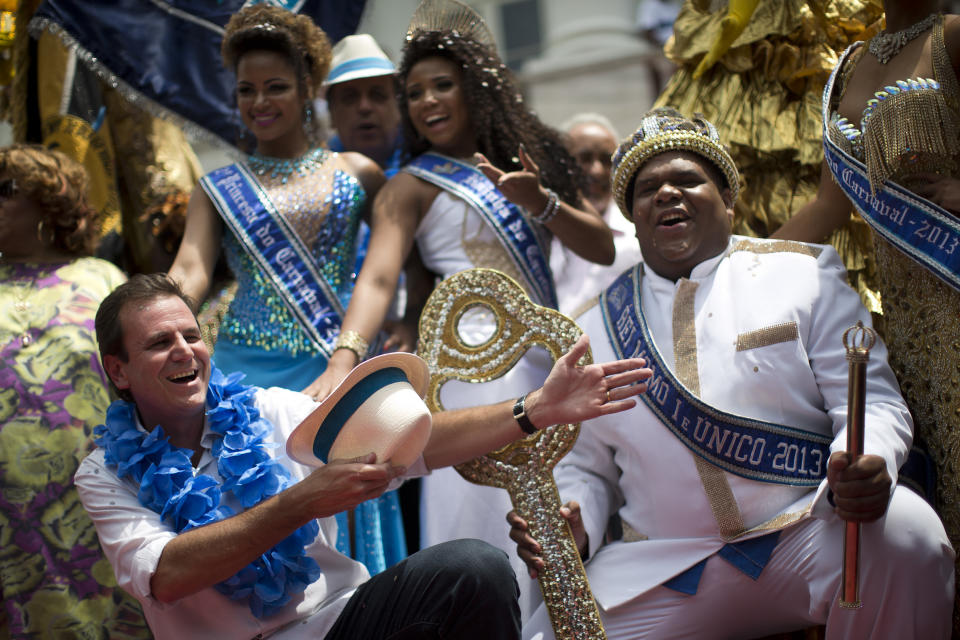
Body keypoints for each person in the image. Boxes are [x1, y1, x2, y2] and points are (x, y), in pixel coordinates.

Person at [511, 107, 955, 639]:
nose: (667, 194)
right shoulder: (591, 329)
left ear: (728, 198)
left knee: (909, 535)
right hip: (662, 565)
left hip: (806, 534)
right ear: (633, 216)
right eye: (648, 188)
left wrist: (868, 458)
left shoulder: (803, 274)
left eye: (687, 180)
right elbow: (586, 467)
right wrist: (574, 517)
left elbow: (873, 402)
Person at [74, 273, 650, 639]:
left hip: (342, 623)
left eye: (191, 335)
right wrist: (301, 502)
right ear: (118, 370)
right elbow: (168, 574)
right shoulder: (104, 474)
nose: (185, 351)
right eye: (159, 342)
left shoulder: (265, 410)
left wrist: (533, 410)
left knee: (473, 569)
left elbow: (416, 443)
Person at [313, 0, 616, 616]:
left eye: (441, 85)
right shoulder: (410, 185)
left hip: (548, 363)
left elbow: (604, 247)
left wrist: (542, 203)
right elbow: (376, 280)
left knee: (567, 519)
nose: (427, 101)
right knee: (482, 532)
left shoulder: (525, 167)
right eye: (415, 91)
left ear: (474, 87)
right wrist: (344, 360)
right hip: (469, 376)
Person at [166, 5, 403, 577]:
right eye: (247, 90)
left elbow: (381, 276)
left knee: (347, 507)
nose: (260, 103)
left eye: (275, 87)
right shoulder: (218, 187)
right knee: (256, 509)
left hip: (336, 366)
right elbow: (190, 273)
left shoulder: (360, 173)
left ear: (307, 89)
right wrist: (137, 317)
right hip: (242, 372)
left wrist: (346, 359)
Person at [771, 2, 960, 632]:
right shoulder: (851, 63)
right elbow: (830, 205)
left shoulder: (953, 36)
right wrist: (735, 265)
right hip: (906, 331)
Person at [0, 145, 150, 638]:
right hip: (9, 516)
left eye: (6, 191)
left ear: (49, 201)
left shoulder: (101, 279)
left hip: (98, 498)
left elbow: (140, 384)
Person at [654, 0, 885, 312]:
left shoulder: (832, 39)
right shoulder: (711, 46)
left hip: (816, 271)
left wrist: (743, 273)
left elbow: (835, 201)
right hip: (732, 273)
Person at [550, 113, 644, 316]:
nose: (596, 171)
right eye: (584, 159)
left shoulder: (639, 235)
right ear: (561, 164)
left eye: (607, 160)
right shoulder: (541, 230)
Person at [325, 34, 404, 177]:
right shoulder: (317, 176)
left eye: (377, 95)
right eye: (350, 98)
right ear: (331, 114)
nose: (364, 107)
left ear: (399, 106)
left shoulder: (430, 169)